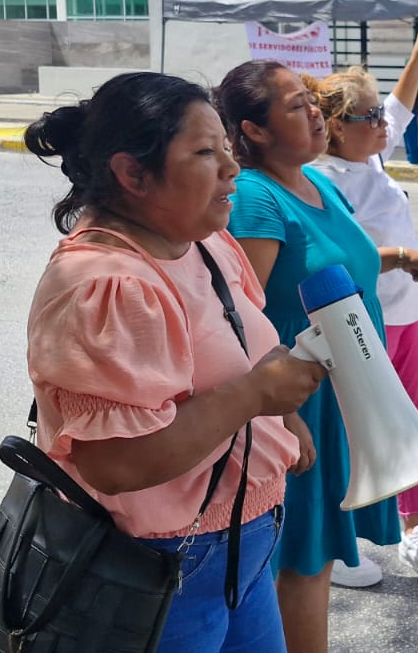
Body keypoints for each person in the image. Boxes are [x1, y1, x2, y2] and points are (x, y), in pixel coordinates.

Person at [22, 72, 324, 652]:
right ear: (132, 173)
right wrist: (256, 399)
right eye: (205, 153)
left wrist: (279, 422)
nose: (232, 169)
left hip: (244, 539)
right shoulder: (105, 285)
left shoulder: (203, 241)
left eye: (227, 150)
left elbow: (240, 347)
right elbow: (116, 464)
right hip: (159, 564)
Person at [216, 60, 418, 653]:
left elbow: (329, 264)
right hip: (297, 406)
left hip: (339, 395)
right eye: (296, 105)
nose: (316, 111)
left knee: (310, 557)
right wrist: (280, 414)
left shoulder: (319, 182)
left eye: (310, 100)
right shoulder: (256, 200)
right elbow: (240, 320)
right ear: (254, 131)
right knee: (302, 560)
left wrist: (394, 257)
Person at [308, 25, 418, 589]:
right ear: (336, 128)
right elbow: (343, 252)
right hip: (359, 324)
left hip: (403, 314)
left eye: (379, 115)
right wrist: (399, 255)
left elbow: (397, 104)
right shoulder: (325, 179)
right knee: (351, 429)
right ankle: (342, 547)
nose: (384, 123)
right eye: (369, 117)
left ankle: (415, 530)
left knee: (409, 425)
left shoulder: (370, 159)